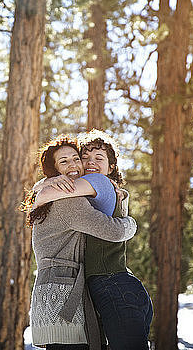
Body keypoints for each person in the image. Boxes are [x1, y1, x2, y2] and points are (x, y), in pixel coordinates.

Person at [33, 129, 153, 350]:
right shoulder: (74, 197)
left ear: (112, 167)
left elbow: (113, 231)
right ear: (55, 169)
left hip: (111, 286)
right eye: (85, 157)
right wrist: (44, 186)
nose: (86, 164)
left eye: (76, 159)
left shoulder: (92, 183)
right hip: (79, 292)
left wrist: (42, 189)